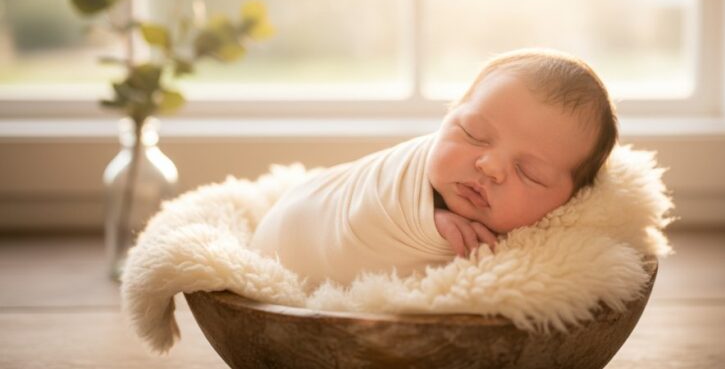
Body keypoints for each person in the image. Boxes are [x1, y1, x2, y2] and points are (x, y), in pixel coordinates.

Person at [250, 48, 618, 288]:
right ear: (449, 115)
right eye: (473, 133)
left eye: (529, 172)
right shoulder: (404, 175)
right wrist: (429, 220)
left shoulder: (548, 254)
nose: (490, 166)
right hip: (300, 222)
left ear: (571, 199)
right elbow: (375, 203)